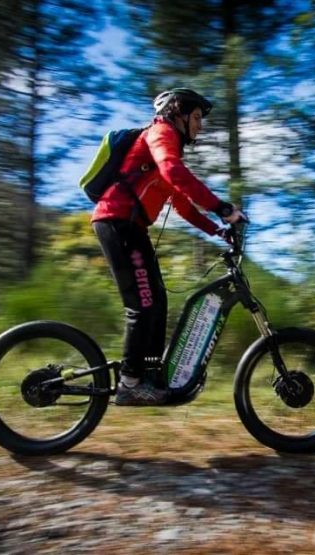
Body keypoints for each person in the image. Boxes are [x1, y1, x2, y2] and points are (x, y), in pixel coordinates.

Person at [92, 88, 245, 406]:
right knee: (142, 305)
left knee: (157, 300)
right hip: (117, 222)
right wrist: (223, 207)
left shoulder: (164, 150)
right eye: (197, 118)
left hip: (130, 227)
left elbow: (183, 205)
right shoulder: (160, 133)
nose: (200, 126)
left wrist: (216, 229)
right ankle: (130, 384)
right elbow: (175, 173)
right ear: (179, 113)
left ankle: (148, 376)